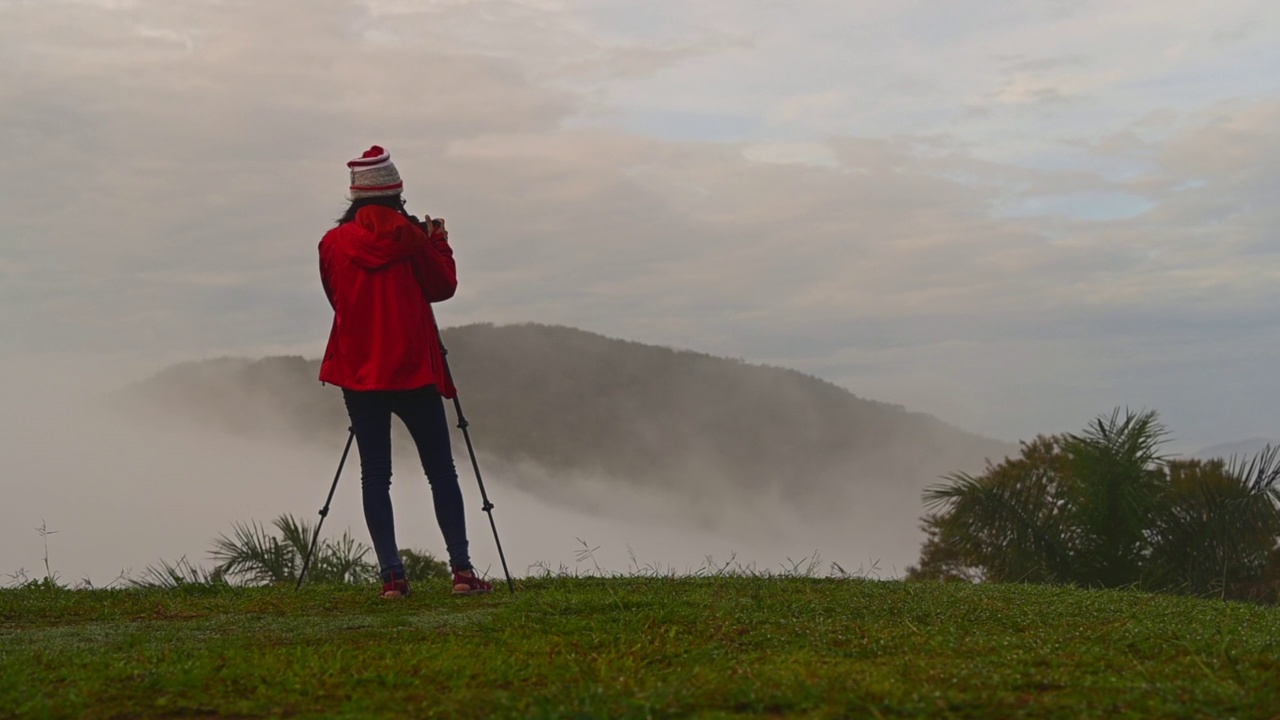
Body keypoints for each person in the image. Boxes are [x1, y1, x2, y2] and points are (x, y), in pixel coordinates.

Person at [318, 145, 492, 599]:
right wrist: (439, 241)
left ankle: (392, 578)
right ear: (396, 193)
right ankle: (462, 571)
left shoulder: (332, 244)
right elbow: (442, 287)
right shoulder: (412, 238)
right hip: (413, 367)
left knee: (375, 474)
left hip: (359, 371)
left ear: (355, 195)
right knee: (441, 471)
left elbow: (337, 298)